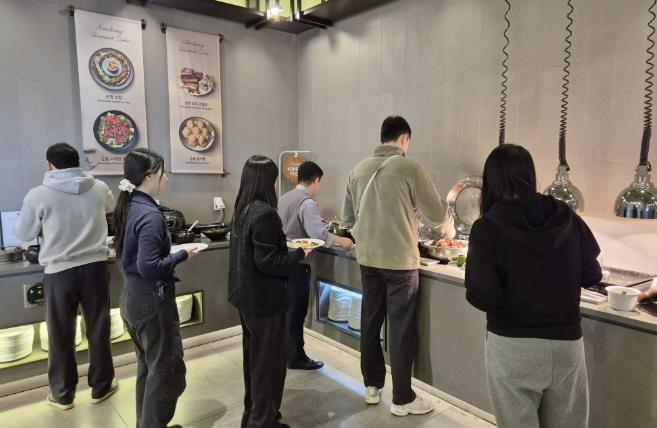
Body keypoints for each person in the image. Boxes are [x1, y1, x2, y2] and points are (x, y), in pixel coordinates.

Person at [464, 144, 602, 428]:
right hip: (566, 344)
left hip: (513, 346)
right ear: (530, 175)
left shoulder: (487, 227)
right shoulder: (565, 215)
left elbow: (485, 296)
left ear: (491, 181)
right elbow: (592, 274)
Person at [342, 116, 453, 416]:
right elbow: (437, 214)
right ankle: (402, 398)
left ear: (382, 137)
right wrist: (446, 222)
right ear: (404, 139)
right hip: (401, 263)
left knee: (370, 322)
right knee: (401, 329)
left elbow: (348, 220)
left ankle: (371, 386)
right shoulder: (411, 168)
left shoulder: (357, 170)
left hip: (368, 260)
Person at [14, 143, 117, 410]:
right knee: (99, 328)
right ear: (77, 162)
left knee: (60, 333)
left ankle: (62, 394)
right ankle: (102, 387)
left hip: (59, 273)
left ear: (49, 165)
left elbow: (24, 233)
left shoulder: (38, 194)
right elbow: (112, 207)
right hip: (95, 268)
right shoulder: (99, 187)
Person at [113, 148, 198, 428]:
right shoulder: (150, 215)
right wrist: (183, 254)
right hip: (151, 302)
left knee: (148, 367)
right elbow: (149, 266)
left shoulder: (130, 207)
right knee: (167, 371)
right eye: (163, 173)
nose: (167, 179)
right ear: (150, 176)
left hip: (132, 298)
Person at [228, 155, 311, 428]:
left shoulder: (242, 209)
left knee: (254, 362)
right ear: (267, 181)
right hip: (265, 302)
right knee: (268, 365)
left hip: (246, 299)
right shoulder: (265, 213)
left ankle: (253, 416)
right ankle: (263, 421)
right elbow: (269, 262)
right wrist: (299, 253)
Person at [278, 161, 353, 371]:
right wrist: (341, 240)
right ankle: (296, 357)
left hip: (283, 262)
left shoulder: (284, 198)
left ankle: (285, 353)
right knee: (297, 312)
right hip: (298, 263)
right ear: (316, 180)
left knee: (287, 311)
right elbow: (317, 235)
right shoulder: (308, 203)